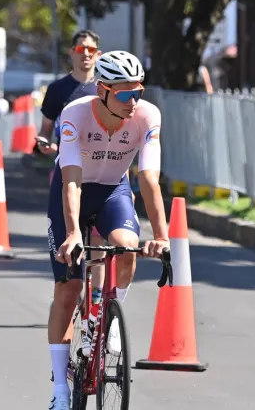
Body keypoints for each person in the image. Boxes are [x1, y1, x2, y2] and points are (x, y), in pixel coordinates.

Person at [45, 50, 170, 410]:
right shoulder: (75, 114)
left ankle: (110, 317)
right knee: (68, 290)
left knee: (128, 246)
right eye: (124, 94)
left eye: (138, 92)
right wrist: (73, 233)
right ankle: (61, 395)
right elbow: (70, 180)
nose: (134, 101)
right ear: (101, 90)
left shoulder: (147, 116)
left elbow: (148, 179)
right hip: (74, 191)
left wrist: (160, 236)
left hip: (113, 189)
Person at [36, 30, 102, 159]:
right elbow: (45, 130)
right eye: (80, 48)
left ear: (98, 54)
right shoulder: (56, 89)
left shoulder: (106, 89)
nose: (86, 53)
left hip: (99, 164)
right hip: (66, 164)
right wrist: (43, 143)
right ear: (72, 52)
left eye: (91, 49)